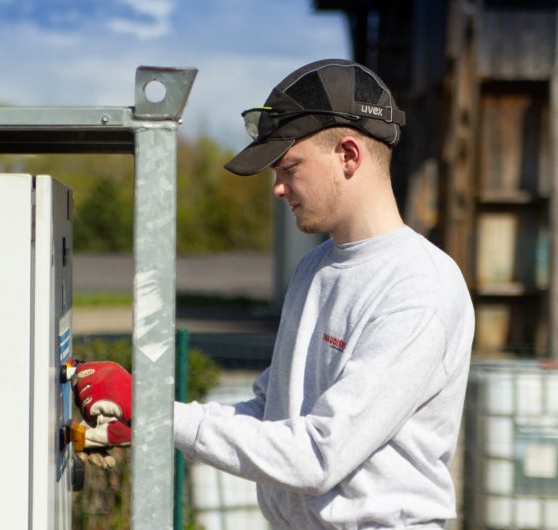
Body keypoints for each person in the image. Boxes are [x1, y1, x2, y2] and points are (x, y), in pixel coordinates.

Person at [74, 59, 475, 530]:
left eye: (290, 167)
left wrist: (153, 409)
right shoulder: (314, 268)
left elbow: (318, 454)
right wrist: (155, 421)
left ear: (348, 155)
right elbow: (270, 414)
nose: (278, 188)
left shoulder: (418, 286)